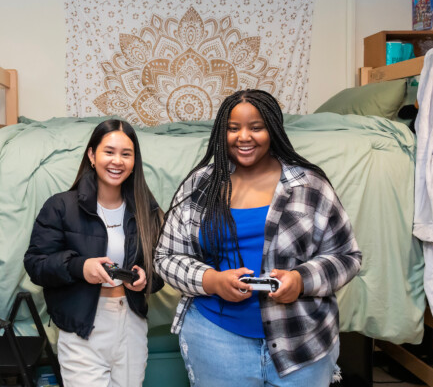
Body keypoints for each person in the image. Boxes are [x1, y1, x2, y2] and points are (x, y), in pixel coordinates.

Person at [154, 90, 362, 386]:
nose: (244, 137)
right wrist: (212, 280)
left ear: (273, 130)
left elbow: (347, 257)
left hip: (302, 340)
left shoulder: (309, 184)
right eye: (233, 128)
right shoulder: (200, 185)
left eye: (256, 127)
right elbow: (166, 257)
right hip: (215, 339)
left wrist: (301, 280)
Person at [24, 119, 164, 387]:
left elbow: (161, 269)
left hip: (131, 323)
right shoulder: (60, 206)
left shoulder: (147, 209)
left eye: (126, 154)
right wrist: (80, 267)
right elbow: (36, 264)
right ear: (91, 155)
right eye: (109, 152)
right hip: (82, 328)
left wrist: (147, 278)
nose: (117, 161)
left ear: (135, 161)